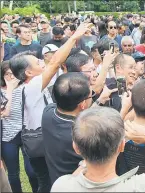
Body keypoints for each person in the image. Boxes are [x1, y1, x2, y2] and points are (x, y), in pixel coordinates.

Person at [9, 23, 89, 192]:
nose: (42, 61)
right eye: (37, 61)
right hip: (42, 145)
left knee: (46, 180)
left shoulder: (27, 87)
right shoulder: (30, 87)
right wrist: (74, 37)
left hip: (38, 144)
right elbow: (55, 62)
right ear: (28, 73)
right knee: (47, 183)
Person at [51, 107, 145, 192]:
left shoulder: (61, 186)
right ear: (122, 146)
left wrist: (85, 161)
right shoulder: (142, 187)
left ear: (76, 147)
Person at [42, 73, 92, 185]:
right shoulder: (82, 134)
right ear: (82, 104)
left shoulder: (48, 112)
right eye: (91, 95)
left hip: (56, 181)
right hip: (77, 185)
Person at [0, 61, 38, 193]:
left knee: (32, 170)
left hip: (26, 133)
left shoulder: (24, 88)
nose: (11, 77)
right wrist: (9, 89)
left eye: (13, 74)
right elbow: (5, 112)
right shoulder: (1, 92)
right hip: (8, 136)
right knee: (13, 173)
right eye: (7, 74)